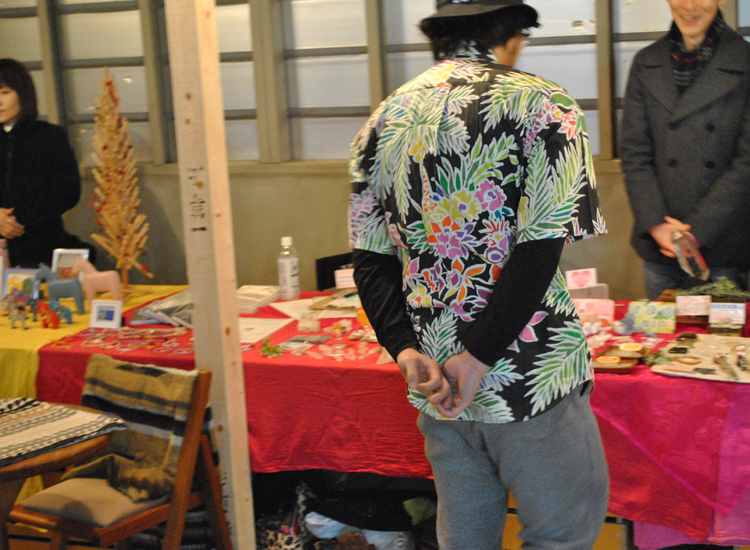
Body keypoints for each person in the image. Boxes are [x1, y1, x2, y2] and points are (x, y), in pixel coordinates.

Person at [348, 1, 609, 548]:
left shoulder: (383, 120)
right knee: (561, 536)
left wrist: (404, 350)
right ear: (511, 34)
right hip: (531, 377)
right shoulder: (544, 104)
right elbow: (539, 249)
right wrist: (480, 355)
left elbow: (370, 261)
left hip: (438, 381)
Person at [621, 0, 750, 300]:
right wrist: (656, 224)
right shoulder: (647, 61)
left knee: (722, 332)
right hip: (661, 245)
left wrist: (698, 233)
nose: (689, 6)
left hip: (722, 242)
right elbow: (634, 152)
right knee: (660, 330)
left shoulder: (744, 60)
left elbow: (747, 161)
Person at [0, 58, 96, 268]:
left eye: (4, 92)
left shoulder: (49, 136)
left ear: (23, 93)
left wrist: (15, 219)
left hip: (41, 245)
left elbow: (68, 192)